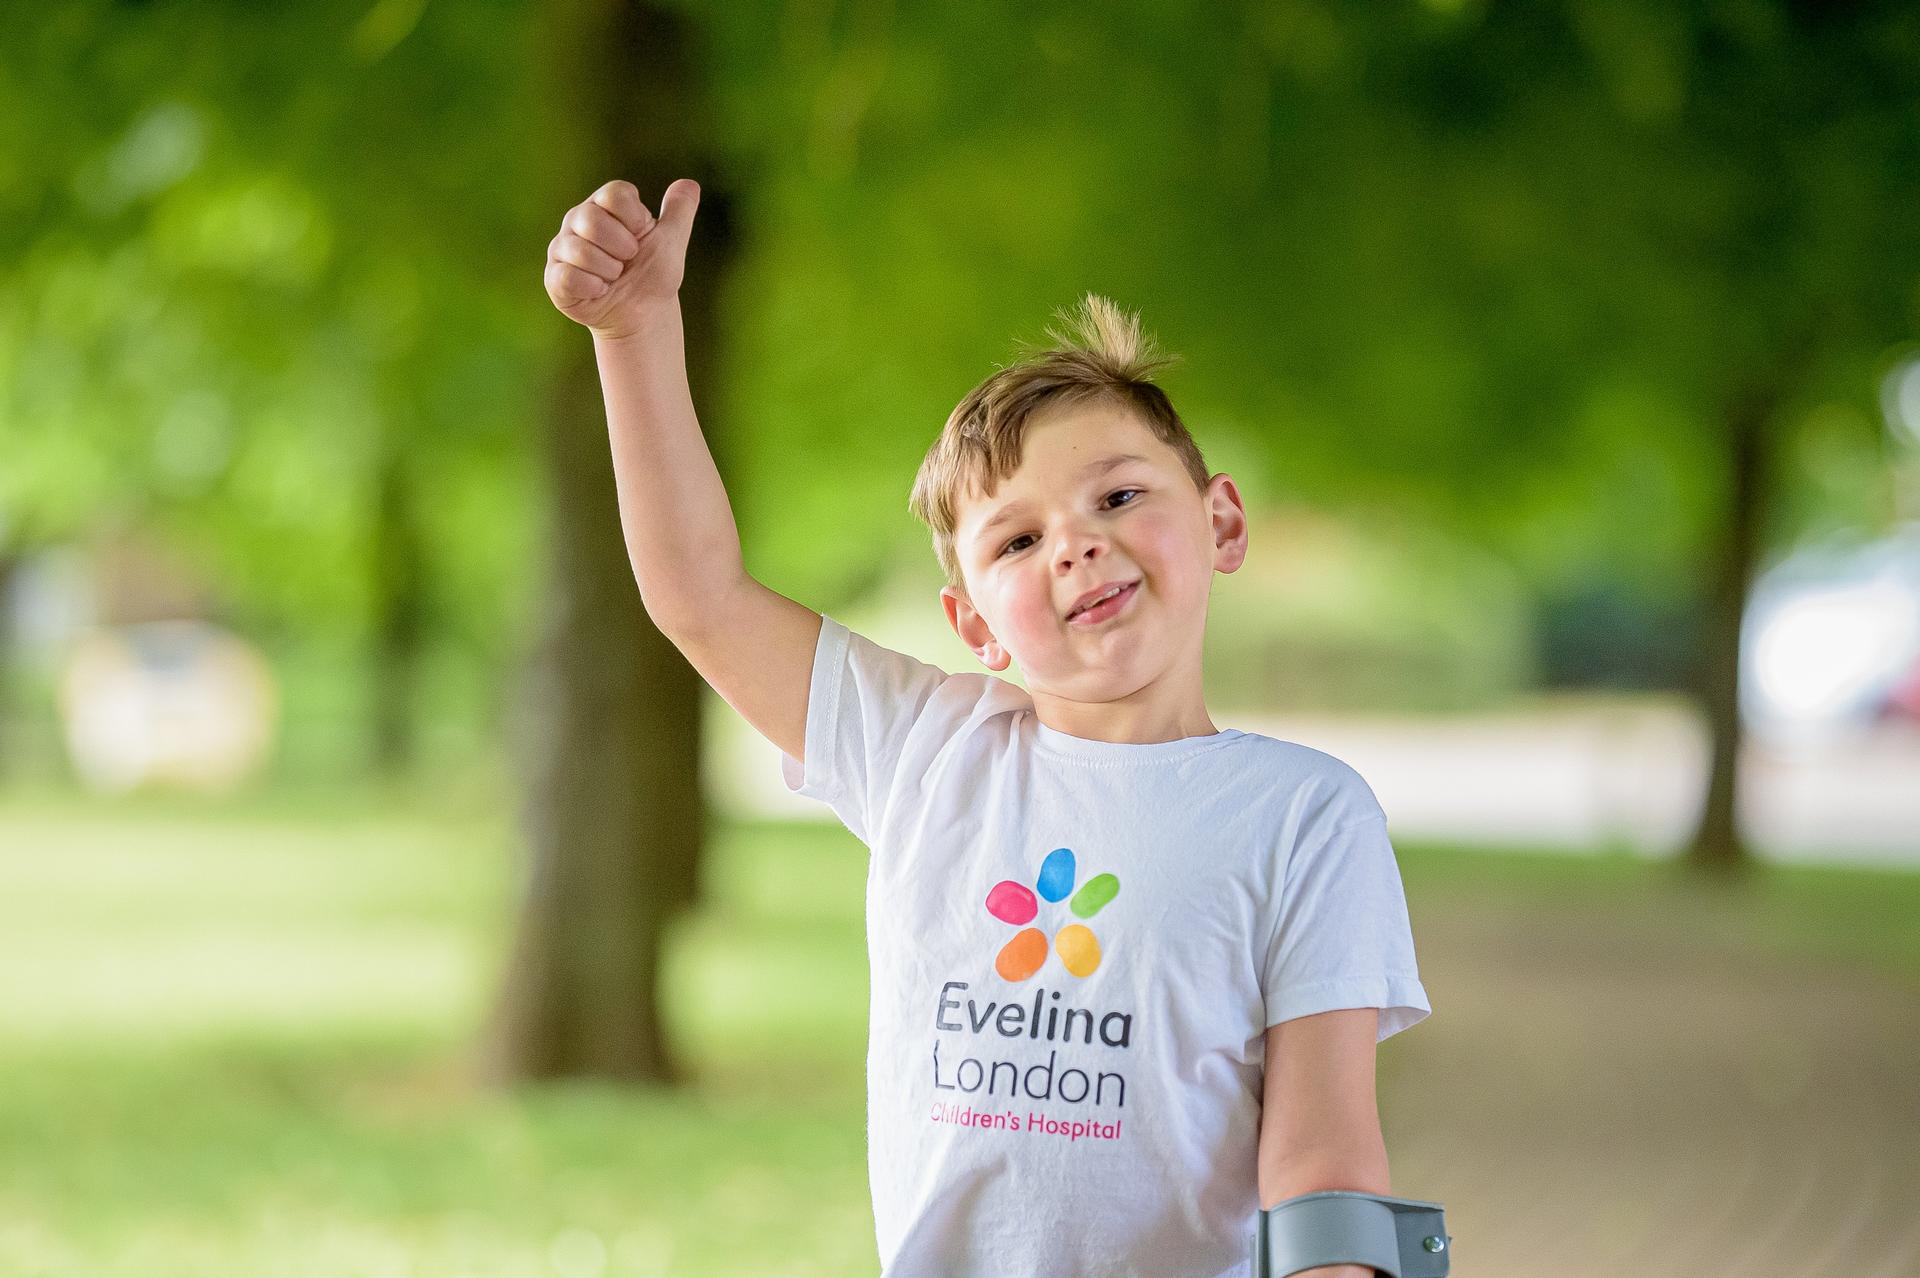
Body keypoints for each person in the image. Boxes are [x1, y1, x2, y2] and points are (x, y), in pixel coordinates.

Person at [543, 177, 1432, 1278]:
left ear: (1221, 521)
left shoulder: (1306, 814)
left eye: (1116, 498)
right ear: (973, 624)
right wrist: (636, 336)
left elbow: (1325, 1159)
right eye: (1016, 542)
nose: (1073, 547)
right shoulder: (925, 748)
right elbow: (700, 595)